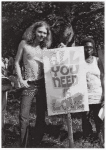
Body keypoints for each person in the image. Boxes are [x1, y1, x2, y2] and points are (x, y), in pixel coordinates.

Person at [15, 21, 52, 147]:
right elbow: (16, 62)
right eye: (40, 32)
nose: (42, 35)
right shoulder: (24, 44)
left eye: (45, 33)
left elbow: (54, 62)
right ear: (34, 31)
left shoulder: (44, 48)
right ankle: (23, 145)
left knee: (41, 116)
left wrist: (62, 49)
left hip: (42, 85)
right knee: (23, 116)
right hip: (29, 84)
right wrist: (21, 79)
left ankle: (37, 142)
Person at [80, 38, 104, 142]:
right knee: (85, 118)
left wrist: (105, 93)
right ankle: (87, 137)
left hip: (98, 94)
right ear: (82, 48)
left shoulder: (98, 60)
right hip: (84, 95)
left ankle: (100, 137)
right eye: (86, 47)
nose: (88, 49)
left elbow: (103, 76)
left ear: (93, 48)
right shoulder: (78, 61)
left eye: (90, 47)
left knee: (99, 118)